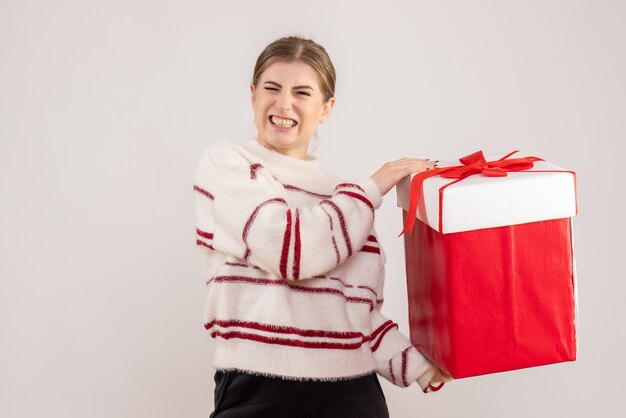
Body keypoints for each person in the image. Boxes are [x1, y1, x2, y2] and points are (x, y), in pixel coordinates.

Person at [194, 35, 450, 418]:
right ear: (252, 94)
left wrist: (421, 366)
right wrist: (374, 185)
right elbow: (292, 251)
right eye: (272, 88)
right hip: (257, 388)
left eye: (302, 92)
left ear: (326, 108)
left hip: (352, 395)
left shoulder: (344, 200)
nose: (284, 104)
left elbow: (357, 316)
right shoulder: (228, 166)